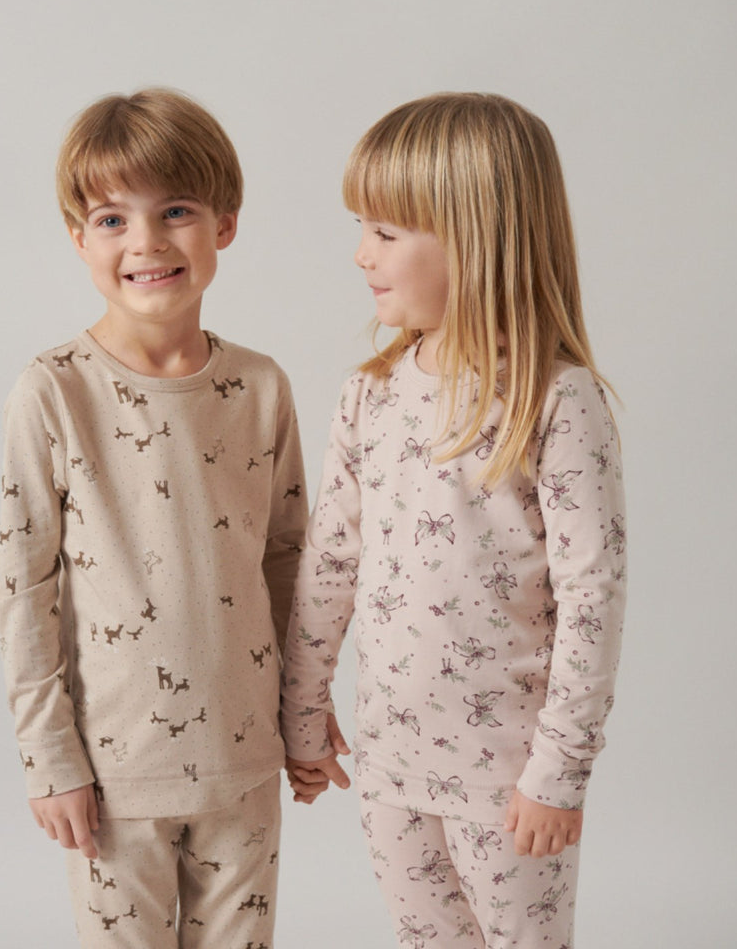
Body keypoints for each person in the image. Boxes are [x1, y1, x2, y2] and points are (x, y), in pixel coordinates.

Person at [280, 92, 626, 949]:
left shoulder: (556, 400)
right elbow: (330, 563)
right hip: (391, 763)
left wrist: (559, 769)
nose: (360, 253)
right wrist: (302, 710)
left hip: (508, 776)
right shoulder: (371, 393)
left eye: (386, 232)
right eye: (361, 228)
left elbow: (593, 599)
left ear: (474, 238)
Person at [0, 87, 310, 947]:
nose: (147, 242)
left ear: (224, 224)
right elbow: (24, 589)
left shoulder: (261, 386)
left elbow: (289, 561)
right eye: (111, 219)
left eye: (175, 211)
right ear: (78, 237)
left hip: (247, 768)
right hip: (113, 777)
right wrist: (49, 759)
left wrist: (304, 717)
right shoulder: (52, 391)